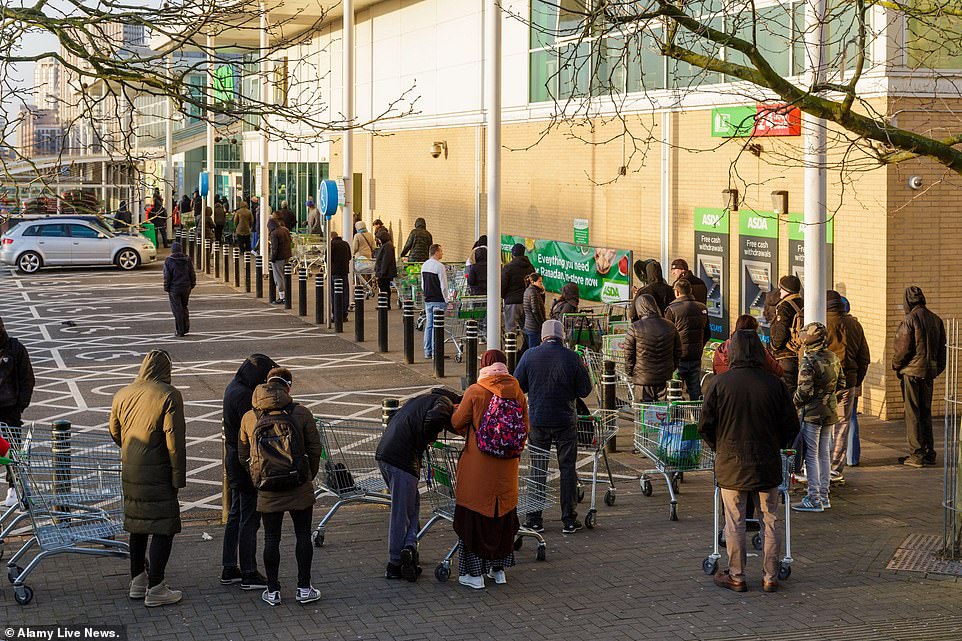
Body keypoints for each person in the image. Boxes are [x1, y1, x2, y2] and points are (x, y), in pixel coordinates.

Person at [698, 330, 799, 593]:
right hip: (766, 461)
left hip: (731, 462)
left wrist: (719, 447)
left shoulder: (719, 384)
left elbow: (705, 425)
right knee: (771, 519)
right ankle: (770, 575)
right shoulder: (776, 385)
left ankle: (737, 575)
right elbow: (791, 425)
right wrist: (776, 443)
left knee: (735, 521)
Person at [238, 367, 322, 606]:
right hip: (298, 484)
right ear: (288, 386)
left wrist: (258, 479)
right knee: (303, 536)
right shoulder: (301, 413)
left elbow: (243, 454)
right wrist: (307, 475)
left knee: (271, 539)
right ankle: (304, 588)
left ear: (267, 383)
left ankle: (273, 591)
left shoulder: (249, 417)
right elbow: (315, 449)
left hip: (267, 487)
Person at [109, 350, 187, 607]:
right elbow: (174, 442)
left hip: (131, 470)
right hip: (159, 471)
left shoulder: (122, 393)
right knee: (164, 526)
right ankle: (156, 588)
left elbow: (115, 431)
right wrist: (178, 477)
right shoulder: (168, 395)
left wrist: (132, 454)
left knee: (137, 524)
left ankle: (137, 581)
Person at [450, 350, 529, 588]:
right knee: (502, 519)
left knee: (474, 521)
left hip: (478, 473)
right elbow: (525, 428)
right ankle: (499, 571)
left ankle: (473, 576)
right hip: (506, 473)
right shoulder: (517, 393)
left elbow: (456, 423)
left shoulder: (475, 391)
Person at [514, 319, 593, 533]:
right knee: (567, 468)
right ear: (562, 337)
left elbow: (517, 384)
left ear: (542, 337)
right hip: (565, 420)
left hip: (538, 419)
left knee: (538, 467)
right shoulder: (572, 358)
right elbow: (585, 390)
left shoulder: (530, 355)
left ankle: (534, 518)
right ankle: (568, 518)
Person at [375, 390, 456, 581]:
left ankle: (410, 548)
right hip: (402, 460)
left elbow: (397, 416)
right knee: (401, 512)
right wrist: (425, 440)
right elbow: (436, 417)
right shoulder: (444, 403)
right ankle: (395, 564)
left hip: (386, 454)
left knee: (413, 506)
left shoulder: (420, 401)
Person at [221, 354, 278, 591]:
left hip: (232, 458)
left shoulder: (233, 387)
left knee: (236, 513)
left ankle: (229, 567)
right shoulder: (245, 396)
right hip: (244, 460)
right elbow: (254, 428)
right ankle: (248, 571)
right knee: (250, 518)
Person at [792, 322, 845, 512]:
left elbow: (804, 391)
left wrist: (794, 403)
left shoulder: (809, 361)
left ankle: (813, 497)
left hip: (812, 414)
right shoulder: (833, 357)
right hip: (830, 411)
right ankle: (824, 495)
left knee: (811, 455)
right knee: (824, 453)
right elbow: (842, 383)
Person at [893, 285, 947, 468]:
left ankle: (916, 455)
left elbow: (902, 350)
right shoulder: (936, 319)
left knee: (913, 414)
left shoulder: (909, 320)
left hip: (912, 373)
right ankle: (928, 452)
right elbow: (942, 352)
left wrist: (897, 366)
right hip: (928, 373)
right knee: (925, 412)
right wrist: (935, 369)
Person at [826, 290, 867, 484]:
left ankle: (819, 467)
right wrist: (856, 381)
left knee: (819, 424)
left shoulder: (820, 323)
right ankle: (835, 468)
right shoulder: (854, 325)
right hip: (847, 382)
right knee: (842, 425)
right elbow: (864, 358)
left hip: (824, 383)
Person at [0, 317, 34, 508]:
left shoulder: (15, 348)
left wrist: (20, 404)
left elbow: (27, 377)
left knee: (11, 451)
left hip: (10, 410)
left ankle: (13, 488)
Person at [624, 294, 681, 402]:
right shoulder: (670, 326)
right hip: (665, 377)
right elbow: (678, 351)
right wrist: (671, 367)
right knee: (663, 414)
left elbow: (628, 354)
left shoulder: (635, 327)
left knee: (643, 415)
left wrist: (630, 372)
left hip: (642, 380)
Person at [664, 279, 711, 400]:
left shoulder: (672, 310)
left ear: (677, 292)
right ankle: (697, 416)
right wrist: (699, 346)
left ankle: (675, 417)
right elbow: (707, 333)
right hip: (695, 356)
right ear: (690, 290)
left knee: (674, 391)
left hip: (677, 358)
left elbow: (667, 336)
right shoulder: (702, 308)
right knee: (695, 389)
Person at [713, 315, 784, 377]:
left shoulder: (720, 350)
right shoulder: (759, 352)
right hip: (752, 390)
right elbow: (778, 371)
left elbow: (716, 372)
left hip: (725, 390)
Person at [770, 275, 804, 395]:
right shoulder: (802, 303)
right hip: (798, 352)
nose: (780, 291)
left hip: (785, 355)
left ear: (787, 290)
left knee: (786, 391)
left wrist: (775, 346)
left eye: (781, 288)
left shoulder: (785, 306)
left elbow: (781, 330)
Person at [162, 241, 196, 337]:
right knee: (184, 307)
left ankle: (180, 330)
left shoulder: (169, 260)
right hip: (186, 287)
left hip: (174, 288)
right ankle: (185, 328)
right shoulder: (187, 259)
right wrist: (192, 284)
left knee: (177, 309)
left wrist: (166, 287)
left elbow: (167, 276)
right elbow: (192, 273)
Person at [421, 244, 448, 360]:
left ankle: (427, 351)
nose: (442, 253)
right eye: (441, 251)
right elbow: (443, 285)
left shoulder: (424, 265)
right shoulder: (440, 266)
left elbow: (423, 284)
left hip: (428, 300)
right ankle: (436, 352)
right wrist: (447, 299)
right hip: (438, 299)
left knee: (429, 325)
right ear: (436, 252)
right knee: (437, 326)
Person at [502, 243, 535, 333]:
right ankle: (526, 347)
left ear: (512, 254)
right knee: (527, 328)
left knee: (510, 329)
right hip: (527, 301)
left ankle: (510, 347)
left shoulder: (508, 268)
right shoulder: (530, 267)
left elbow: (503, 285)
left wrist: (503, 296)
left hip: (512, 302)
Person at [268, 212, 292, 305]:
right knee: (284, 276)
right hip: (286, 255)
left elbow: (274, 248)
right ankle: (286, 296)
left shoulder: (274, 233)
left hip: (278, 258)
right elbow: (289, 241)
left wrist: (272, 259)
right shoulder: (285, 230)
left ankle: (282, 297)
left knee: (278, 277)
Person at [329, 231, 352, 321]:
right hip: (345, 271)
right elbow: (349, 256)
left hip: (335, 272)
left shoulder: (332, 245)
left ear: (331, 237)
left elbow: (328, 259)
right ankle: (344, 314)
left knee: (335, 294)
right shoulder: (345, 244)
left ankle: (336, 314)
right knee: (345, 293)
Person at [374, 228, 398, 309]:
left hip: (385, 272)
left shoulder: (387, 246)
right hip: (386, 271)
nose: (378, 241)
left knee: (384, 287)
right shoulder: (387, 245)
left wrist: (382, 272)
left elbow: (385, 260)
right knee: (385, 287)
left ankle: (385, 304)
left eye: (379, 239)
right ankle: (385, 304)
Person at [522, 273, 547, 349]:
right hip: (534, 327)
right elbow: (535, 310)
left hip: (529, 325)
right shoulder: (533, 292)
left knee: (529, 348)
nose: (541, 284)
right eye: (540, 282)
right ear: (533, 282)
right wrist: (542, 323)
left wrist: (542, 292)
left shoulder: (529, 290)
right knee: (534, 349)